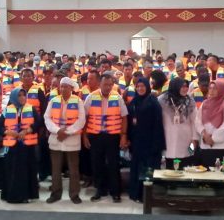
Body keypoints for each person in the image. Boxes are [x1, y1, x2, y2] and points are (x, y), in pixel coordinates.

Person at [83, 72, 128, 203]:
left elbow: (124, 117)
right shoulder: (91, 97)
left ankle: (115, 192)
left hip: (112, 137)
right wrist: (84, 136)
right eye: (105, 84)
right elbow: (84, 118)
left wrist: (123, 136)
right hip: (95, 136)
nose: (107, 87)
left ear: (113, 85)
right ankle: (100, 190)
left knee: (113, 165)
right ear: (99, 84)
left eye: (110, 85)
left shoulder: (118, 97)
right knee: (97, 165)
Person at [43, 77, 86, 204]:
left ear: (71, 88)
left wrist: (66, 132)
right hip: (56, 138)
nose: (63, 89)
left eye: (66, 86)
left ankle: (74, 194)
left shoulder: (78, 101)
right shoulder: (53, 100)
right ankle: (56, 193)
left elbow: (81, 120)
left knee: (74, 169)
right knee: (55, 169)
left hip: (72, 139)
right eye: (61, 86)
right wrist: (57, 131)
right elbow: (47, 117)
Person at [0, 87, 41, 203]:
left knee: (26, 171)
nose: (22, 98)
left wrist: (27, 131)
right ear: (14, 97)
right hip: (12, 147)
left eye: (23, 95)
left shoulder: (31, 108)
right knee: (12, 171)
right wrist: (8, 132)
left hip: (27, 146)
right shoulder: (7, 110)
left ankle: (26, 196)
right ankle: (12, 196)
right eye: (19, 95)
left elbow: (38, 123)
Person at [127, 76, 165, 202]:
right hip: (137, 143)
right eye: (138, 86)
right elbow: (129, 123)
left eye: (142, 86)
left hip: (150, 143)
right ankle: (136, 194)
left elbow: (158, 124)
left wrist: (157, 144)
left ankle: (148, 196)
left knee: (149, 169)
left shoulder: (153, 102)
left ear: (147, 87)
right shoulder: (133, 102)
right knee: (137, 168)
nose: (140, 88)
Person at [194, 78, 224, 168]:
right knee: (206, 177)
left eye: (215, 88)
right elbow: (198, 121)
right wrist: (204, 134)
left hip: (223, 147)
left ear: (221, 90)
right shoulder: (204, 104)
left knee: (222, 177)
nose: (211, 91)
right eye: (210, 88)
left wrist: (213, 139)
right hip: (206, 147)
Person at [158, 77, 197, 168]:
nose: (185, 89)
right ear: (175, 86)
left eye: (186, 87)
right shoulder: (161, 100)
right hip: (167, 138)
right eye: (182, 86)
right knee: (169, 169)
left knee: (186, 165)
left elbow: (195, 121)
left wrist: (194, 139)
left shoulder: (190, 101)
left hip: (186, 139)